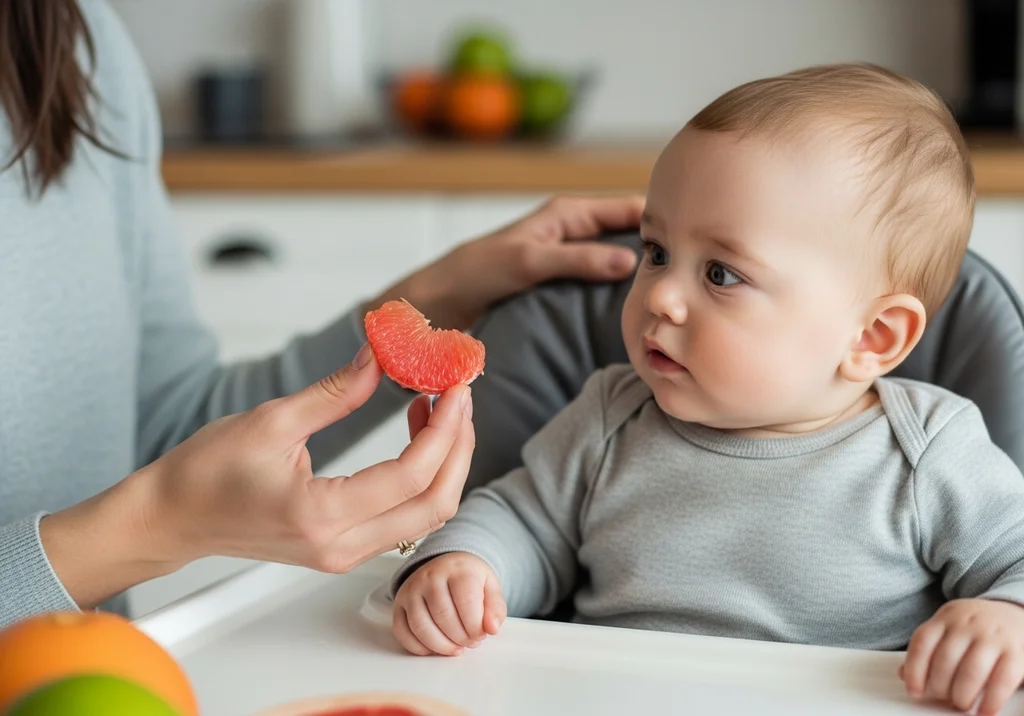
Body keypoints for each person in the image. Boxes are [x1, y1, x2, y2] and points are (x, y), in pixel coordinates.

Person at [390, 64, 1024, 716]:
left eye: (721, 273)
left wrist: (1006, 619)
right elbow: (521, 521)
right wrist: (464, 568)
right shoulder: (611, 418)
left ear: (874, 337)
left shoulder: (927, 452)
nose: (660, 294)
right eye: (656, 251)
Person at [0, 0, 643, 628]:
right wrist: (154, 525)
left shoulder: (79, 41)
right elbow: (160, 494)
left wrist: (447, 292)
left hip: (90, 678)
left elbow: (172, 430)